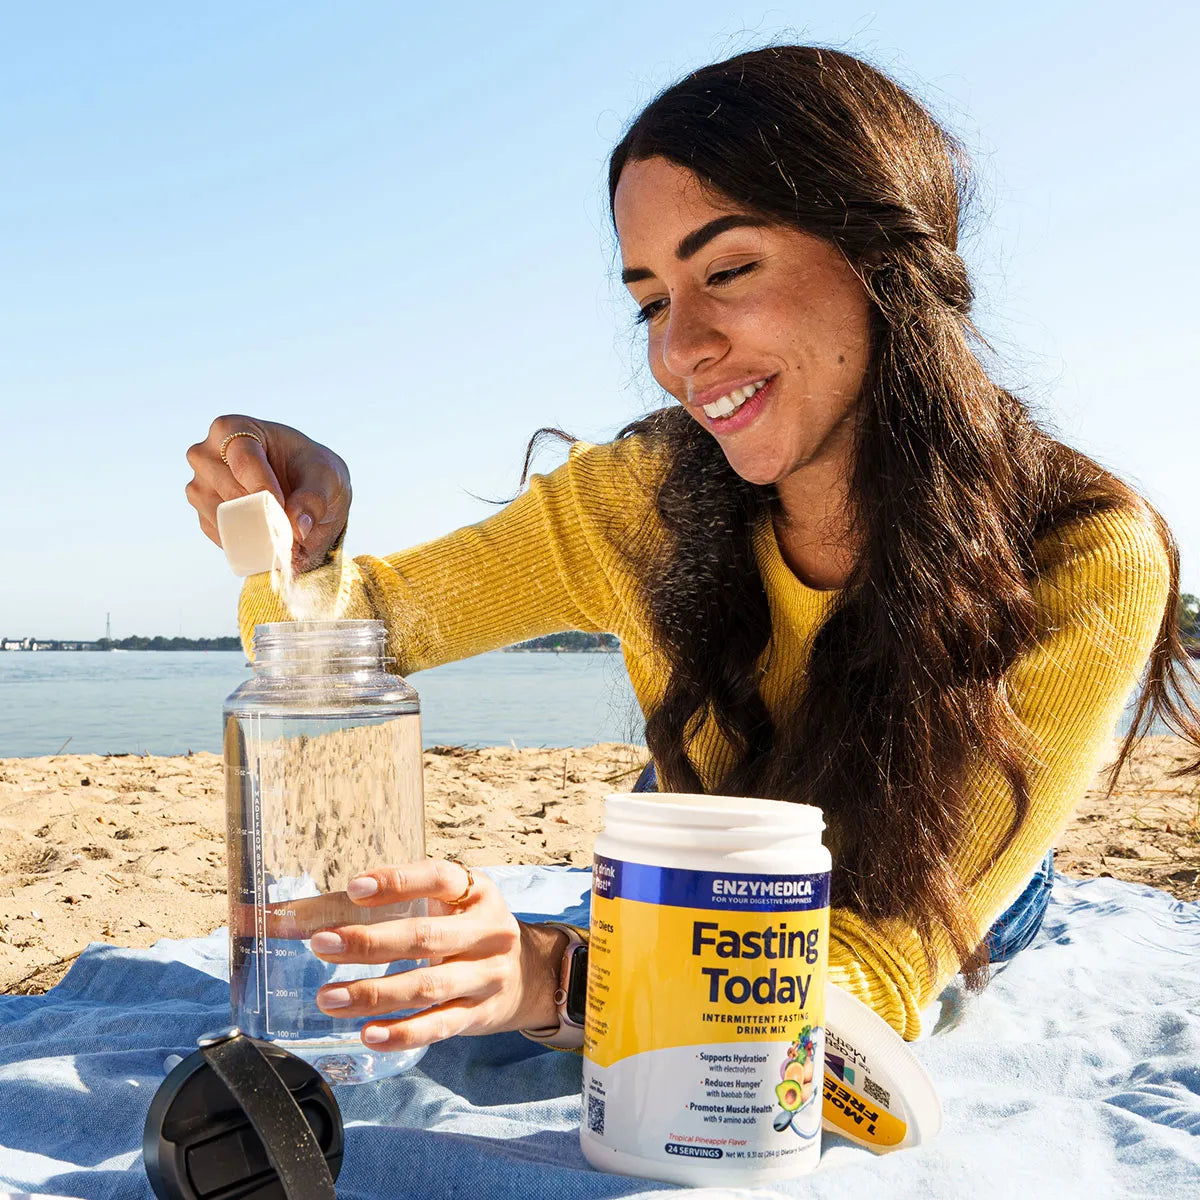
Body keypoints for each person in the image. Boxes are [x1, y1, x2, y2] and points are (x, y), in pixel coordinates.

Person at [185, 46, 1200, 1051]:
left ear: (883, 257)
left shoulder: (1083, 552)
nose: (679, 349)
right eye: (652, 301)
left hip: (948, 868)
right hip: (713, 835)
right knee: (683, 846)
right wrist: (295, 529)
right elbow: (330, 635)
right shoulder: (643, 502)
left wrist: (557, 975)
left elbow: (877, 976)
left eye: (728, 269)